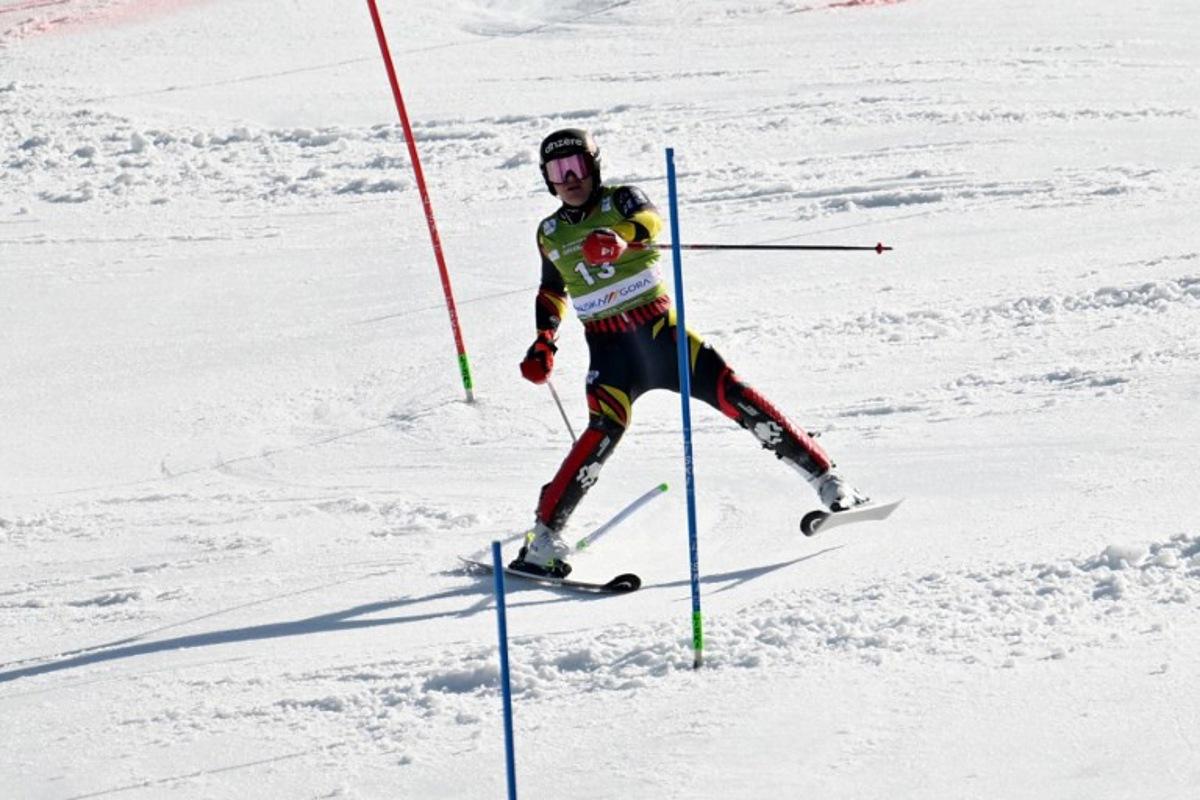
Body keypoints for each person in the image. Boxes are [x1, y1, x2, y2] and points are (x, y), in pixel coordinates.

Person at [512, 127, 868, 578]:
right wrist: (544, 341)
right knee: (601, 433)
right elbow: (552, 289)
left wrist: (619, 238)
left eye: (577, 166)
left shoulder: (619, 200)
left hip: (662, 335)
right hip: (609, 348)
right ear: (546, 178)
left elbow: (650, 221)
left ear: (594, 166)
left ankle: (831, 483)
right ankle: (542, 539)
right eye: (557, 171)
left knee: (735, 395)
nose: (569, 178)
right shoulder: (548, 232)